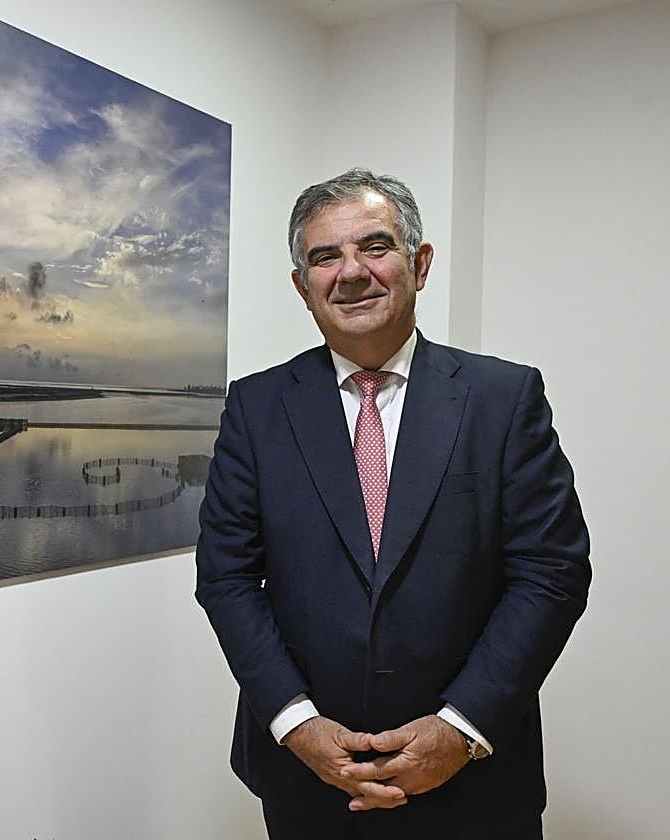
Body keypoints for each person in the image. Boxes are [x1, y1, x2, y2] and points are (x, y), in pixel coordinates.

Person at [195, 168, 590, 839]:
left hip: (475, 783)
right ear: (302, 286)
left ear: (420, 263)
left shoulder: (503, 400)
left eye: (374, 247)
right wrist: (297, 723)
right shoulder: (256, 408)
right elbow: (227, 578)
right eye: (325, 257)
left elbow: (552, 574)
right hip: (309, 782)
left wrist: (459, 729)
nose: (351, 272)